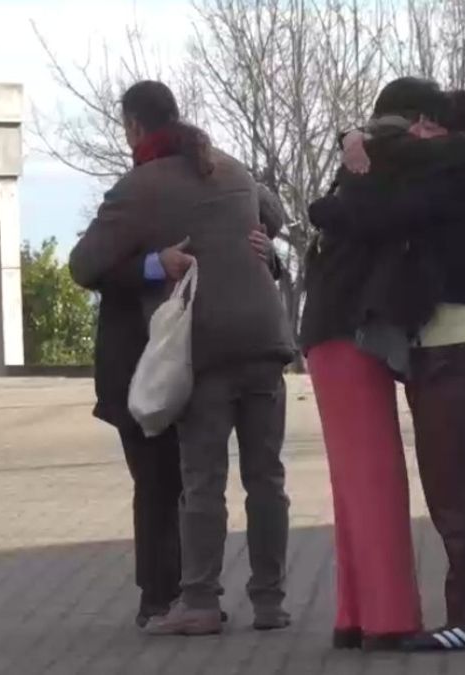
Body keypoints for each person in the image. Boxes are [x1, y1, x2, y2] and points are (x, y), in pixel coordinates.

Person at [301, 77, 465, 652]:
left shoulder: (453, 173)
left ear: (441, 130)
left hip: (457, 344)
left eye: (426, 127)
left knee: (453, 489)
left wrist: (350, 173)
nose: (416, 136)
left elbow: (373, 215)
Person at [69, 80, 295, 636]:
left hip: (208, 347)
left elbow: (82, 264)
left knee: (203, 481)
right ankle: (269, 603)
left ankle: (198, 601)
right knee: (266, 478)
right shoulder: (231, 166)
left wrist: (152, 262)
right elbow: (277, 216)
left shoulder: (138, 186)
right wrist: (258, 242)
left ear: (134, 128)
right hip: (266, 340)